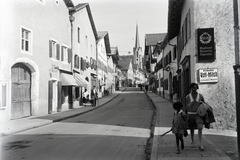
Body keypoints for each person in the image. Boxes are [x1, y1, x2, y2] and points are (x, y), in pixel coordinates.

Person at [185, 83, 205, 151]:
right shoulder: (188, 97)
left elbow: (203, 104)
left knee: (200, 127)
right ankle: (192, 141)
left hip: (198, 114)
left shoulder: (200, 96)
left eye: (195, 87)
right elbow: (186, 107)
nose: (194, 89)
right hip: (190, 114)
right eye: (192, 87)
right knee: (192, 128)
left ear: (197, 88)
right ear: (190, 88)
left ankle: (200, 143)